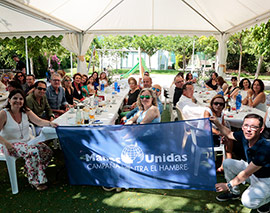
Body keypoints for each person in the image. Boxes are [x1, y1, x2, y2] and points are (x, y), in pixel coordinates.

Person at [0, 89, 58, 191]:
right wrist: (6, 144)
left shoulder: (25, 111)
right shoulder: (4, 114)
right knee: (33, 152)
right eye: (15, 98)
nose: (18, 101)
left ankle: (30, 170)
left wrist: (50, 123)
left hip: (27, 141)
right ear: (9, 100)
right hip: (9, 144)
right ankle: (36, 182)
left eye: (21, 99)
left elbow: (38, 121)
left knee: (47, 151)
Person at [212, 114, 270, 213]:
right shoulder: (244, 135)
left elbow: (246, 173)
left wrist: (227, 185)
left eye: (253, 127)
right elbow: (229, 134)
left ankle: (267, 200)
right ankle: (234, 193)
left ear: (261, 129)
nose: (248, 129)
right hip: (253, 171)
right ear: (242, 126)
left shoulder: (265, 148)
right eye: (246, 125)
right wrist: (216, 122)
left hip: (266, 179)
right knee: (227, 163)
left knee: (247, 202)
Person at [204, 94, 233, 172]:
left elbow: (222, 127)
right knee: (228, 140)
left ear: (224, 106)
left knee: (229, 138)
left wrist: (223, 134)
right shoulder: (208, 112)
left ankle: (225, 164)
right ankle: (227, 164)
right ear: (212, 104)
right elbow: (207, 127)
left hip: (216, 136)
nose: (218, 105)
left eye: (221, 104)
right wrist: (220, 133)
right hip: (205, 137)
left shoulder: (222, 113)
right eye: (216, 103)